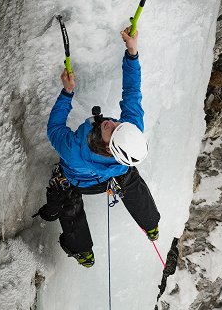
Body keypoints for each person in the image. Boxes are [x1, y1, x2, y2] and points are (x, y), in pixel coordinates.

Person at [36, 27, 160, 268]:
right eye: (118, 126)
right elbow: (132, 92)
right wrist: (132, 52)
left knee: (65, 198)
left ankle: (81, 250)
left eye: (111, 130)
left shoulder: (74, 150)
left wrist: (67, 92)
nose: (111, 123)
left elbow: (54, 129)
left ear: (109, 148)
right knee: (129, 178)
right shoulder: (130, 129)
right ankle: (150, 223)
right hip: (113, 178)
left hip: (78, 182)